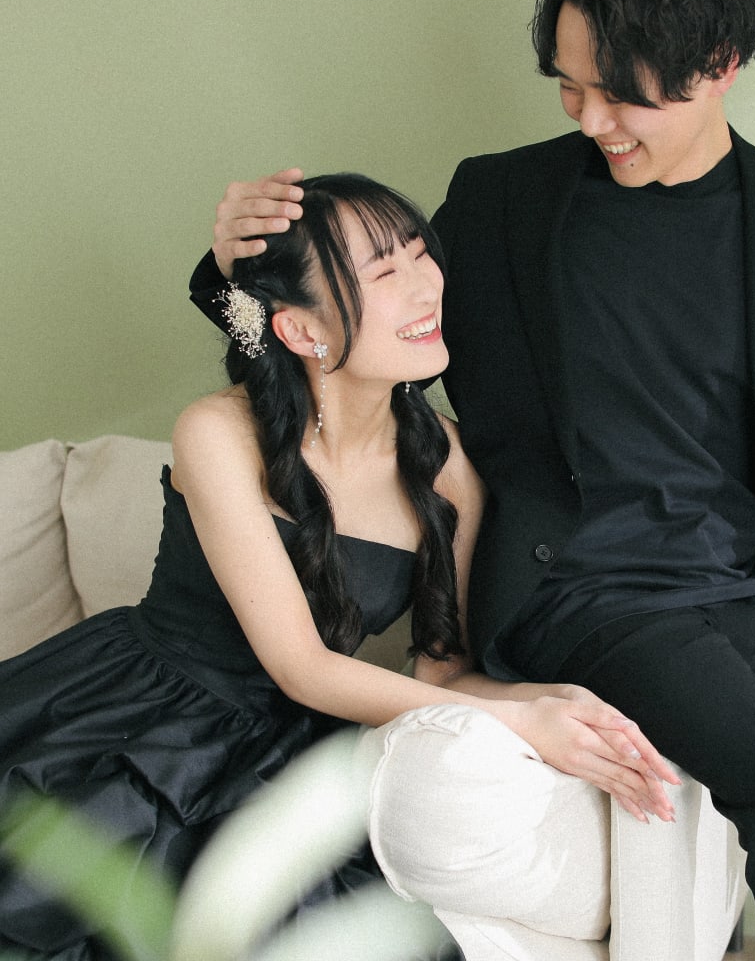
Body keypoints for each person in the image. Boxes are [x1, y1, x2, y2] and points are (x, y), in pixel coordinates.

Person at [192, 0, 755, 960]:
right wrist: (231, 273)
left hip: (751, 592)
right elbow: (356, 321)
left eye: (622, 96)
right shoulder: (503, 204)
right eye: (571, 88)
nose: (591, 121)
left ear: (719, 65)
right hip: (582, 594)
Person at [0, 173, 677, 961]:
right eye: (384, 272)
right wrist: (520, 722)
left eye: (420, 254)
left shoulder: (449, 465)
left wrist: (555, 706)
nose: (425, 285)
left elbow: (445, 674)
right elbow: (300, 665)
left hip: (296, 752)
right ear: (301, 330)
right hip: (140, 713)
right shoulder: (217, 434)